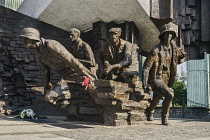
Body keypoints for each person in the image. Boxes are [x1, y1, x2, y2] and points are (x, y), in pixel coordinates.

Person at [20, 27, 95, 105]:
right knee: (50, 99)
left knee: (51, 97)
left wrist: (88, 75)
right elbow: (45, 69)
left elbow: (72, 60)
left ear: (32, 38)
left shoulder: (50, 45)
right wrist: (47, 84)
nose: (24, 41)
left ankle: (80, 106)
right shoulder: (39, 52)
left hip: (77, 74)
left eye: (25, 39)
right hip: (65, 76)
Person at [143, 23, 186, 125]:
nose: (168, 36)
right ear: (162, 36)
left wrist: (181, 55)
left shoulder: (174, 49)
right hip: (156, 78)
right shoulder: (155, 50)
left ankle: (150, 111)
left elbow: (180, 54)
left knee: (158, 97)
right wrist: (145, 84)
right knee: (170, 94)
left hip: (167, 77)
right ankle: (164, 118)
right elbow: (146, 68)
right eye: (166, 34)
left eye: (171, 34)